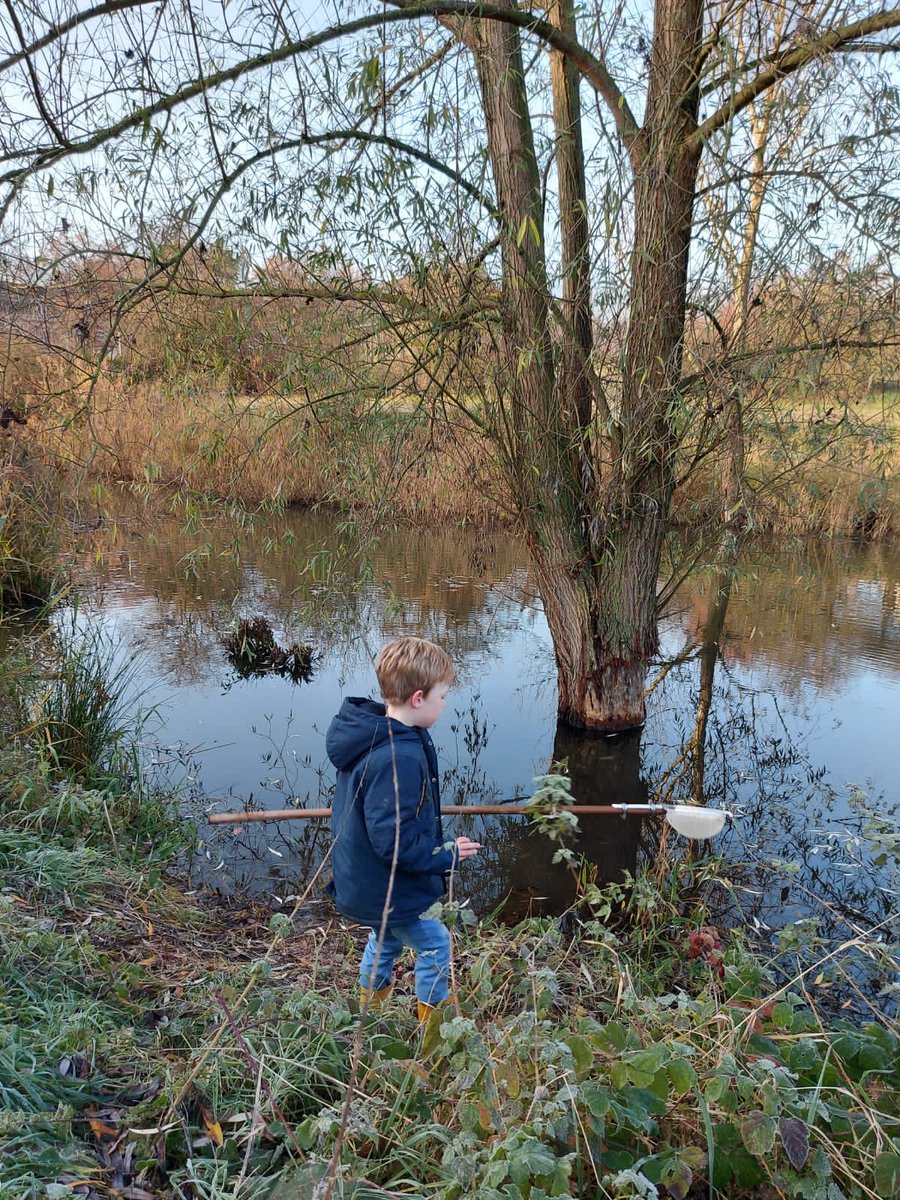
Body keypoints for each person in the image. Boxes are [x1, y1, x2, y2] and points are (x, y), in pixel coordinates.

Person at [325, 637, 480, 1021]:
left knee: (385, 939)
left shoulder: (377, 734)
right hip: (384, 883)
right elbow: (394, 841)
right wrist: (447, 854)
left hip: (368, 880)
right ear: (417, 698)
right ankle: (435, 1032)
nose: (444, 704)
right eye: (442, 696)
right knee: (436, 944)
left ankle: (368, 1015)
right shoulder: (398, 757)